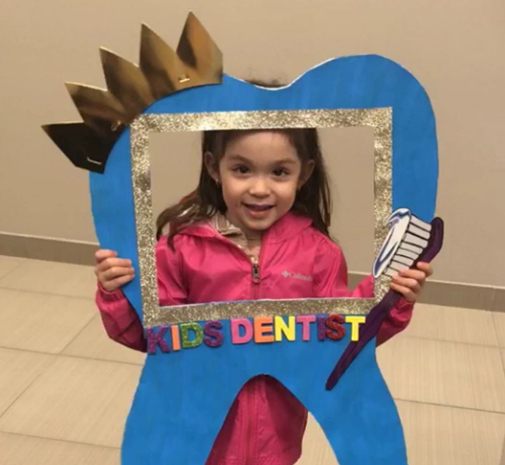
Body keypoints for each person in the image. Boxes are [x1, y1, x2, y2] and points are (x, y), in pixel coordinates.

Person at [95, 128, 433, 465]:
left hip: (275, 436)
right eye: (242, 169)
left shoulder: (319, 254)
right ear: (214, 168)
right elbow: (149, 337)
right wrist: (118, 295)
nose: (259, 188)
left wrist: (391, 298)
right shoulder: (179, 249)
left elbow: (342, 339)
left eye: (279, 172)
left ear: (305, 173)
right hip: (193, 431)